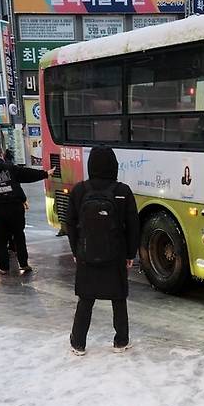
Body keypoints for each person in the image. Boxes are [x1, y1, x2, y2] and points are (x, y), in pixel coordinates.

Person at [66, 146, 140, 356]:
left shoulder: (79, 190)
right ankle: (121, 341)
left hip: (86, 255)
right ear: (113, 165)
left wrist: (76, 250)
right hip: (115, 254)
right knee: (118, 298)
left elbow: (70, 223)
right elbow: (133, 224)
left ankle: (78, 343)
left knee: (86, 299)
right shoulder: (122, 191)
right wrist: (130, 254)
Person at [0, 145, 51, 275]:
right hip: (15, 208)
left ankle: (3, 268)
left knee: (1, 242)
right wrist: (45, 174)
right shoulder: (9, 167)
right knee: (19, 236)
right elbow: (27, 174)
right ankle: (24, 264)